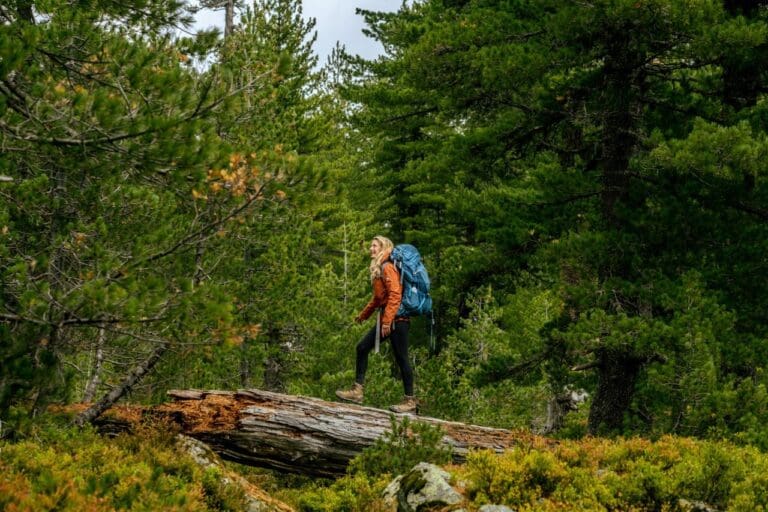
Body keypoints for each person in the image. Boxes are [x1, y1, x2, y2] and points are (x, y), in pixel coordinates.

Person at [335, 235, 417, 413]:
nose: (371, 249)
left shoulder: (387, 267)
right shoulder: (380, 268)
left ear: (383, 248)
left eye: (374, 246)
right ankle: (357, 391)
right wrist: (363, 316)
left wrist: (386, 322)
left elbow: (395, 295)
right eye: (371, 246)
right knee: (362, 347)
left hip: (397, 321)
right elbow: (378, 298)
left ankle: (410, 401)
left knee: (402, 358)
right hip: (389, 319)